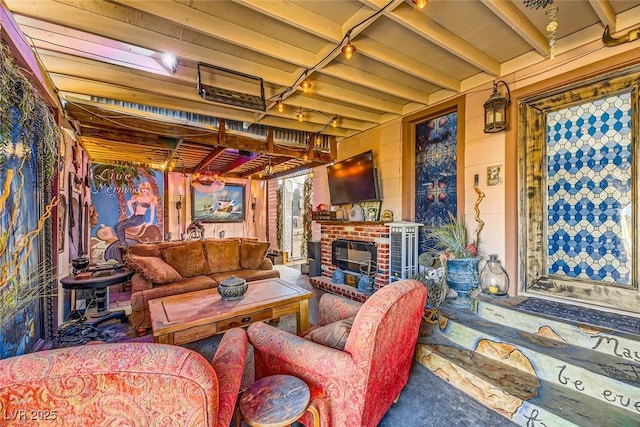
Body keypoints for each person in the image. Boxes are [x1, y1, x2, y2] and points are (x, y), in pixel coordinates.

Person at [114, 182, 158, 249]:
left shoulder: (150, 199)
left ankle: (123, 245)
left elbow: (152, 211)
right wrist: (132, 212)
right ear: (141, 189)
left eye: (147, 189)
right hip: (133, 216)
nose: (145, 190)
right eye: (143, 188)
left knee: (119, 226)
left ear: (149, 190)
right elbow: (129, 203)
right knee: (117, 226)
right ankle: (123, 243)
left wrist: (151, 221)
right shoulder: (137, 197)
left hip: (140, 218)